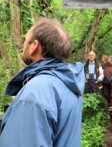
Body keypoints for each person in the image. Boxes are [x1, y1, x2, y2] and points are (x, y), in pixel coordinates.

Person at [0, 18, 84, 147]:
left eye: (25, 41)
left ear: (34, 46)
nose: (23, 45)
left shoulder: (37, 90)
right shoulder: (68, 83)